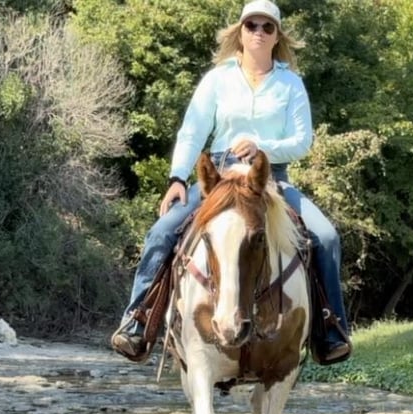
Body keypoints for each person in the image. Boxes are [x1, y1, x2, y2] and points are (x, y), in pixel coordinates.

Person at [111, 0, 351, 363]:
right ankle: (138, 321)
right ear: (240, 32)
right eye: (251, 25)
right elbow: (192, 131)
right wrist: (177, 177)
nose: (259, 32)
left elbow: (302, 141)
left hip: (269, 178)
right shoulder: (217, 79)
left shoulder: (290, 83)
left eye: (267, 27)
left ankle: (330, 330)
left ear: (277, 36)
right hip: (220, 177)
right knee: (162, 232)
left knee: (327, 237)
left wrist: (261, 146)